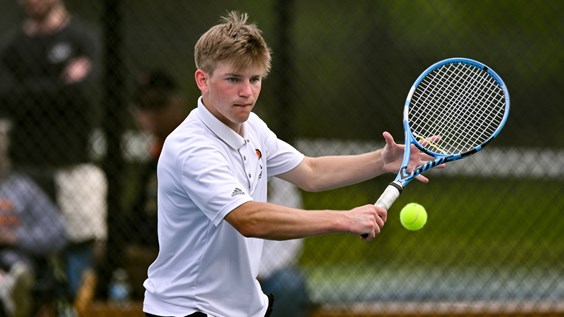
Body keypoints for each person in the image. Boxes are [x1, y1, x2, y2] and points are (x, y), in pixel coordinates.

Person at [143, 11, 435, 317]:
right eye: (233, 79)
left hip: (242, 309)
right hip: (188, 310)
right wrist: (344, 219)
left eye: (254, 79)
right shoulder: (192, 146)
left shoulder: (252, 127)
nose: (247, 92)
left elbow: (310, 172)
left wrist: (382, 160)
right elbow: (249, 219)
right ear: (203, 80)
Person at [0, 0, 106, 300]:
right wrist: (61, 85)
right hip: (23, 171)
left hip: (72, 164)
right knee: (22, 249)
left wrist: (29, 92)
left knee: (80, 244)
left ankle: (77, 303)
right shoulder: (12, 47)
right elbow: (6, 98)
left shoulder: (82, 38)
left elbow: (84, 93)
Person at [124, 69, 188, 299]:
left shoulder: (189, 146)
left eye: (158, 104)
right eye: (143, 105)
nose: (150, 113)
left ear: (178, 105)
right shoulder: (158, 151)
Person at [0, 119, 68, 317]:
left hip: (17, 265)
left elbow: (57, 235)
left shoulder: (23, 189)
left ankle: (9, 289)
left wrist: (13, 238)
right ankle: (6, 291)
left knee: (20, 272)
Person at [259, 178, 312, 317]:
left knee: (289, 284)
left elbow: (291, 240)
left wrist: (258, 274)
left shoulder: (283, 179)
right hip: (230, 272)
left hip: (272, 275)